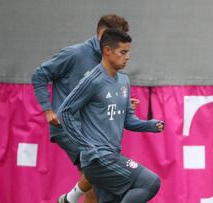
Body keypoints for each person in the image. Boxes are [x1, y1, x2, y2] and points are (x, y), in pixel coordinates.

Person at [31, 15, 140, 203]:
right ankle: (69, 199)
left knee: (99, 180)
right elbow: (39, 75)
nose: (121, 48)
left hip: (90, 129)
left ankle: (69, 199)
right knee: (98, 172)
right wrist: (48, 110)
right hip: (68, 127)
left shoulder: (110, 61)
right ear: (103, 35)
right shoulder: (74, 54)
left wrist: (123, 104)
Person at [57, 29, 164, 203]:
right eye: (123, 52)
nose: (127, 57)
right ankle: (70, 198)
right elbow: (65, 112)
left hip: (111, 155)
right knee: (150, 183)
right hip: (98, 158)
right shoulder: (92, 80)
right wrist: (86, 147)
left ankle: (69, 199)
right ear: (107, 51)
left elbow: (129, 121)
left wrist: (150, 125)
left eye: (128, 52)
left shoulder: (124, 81)